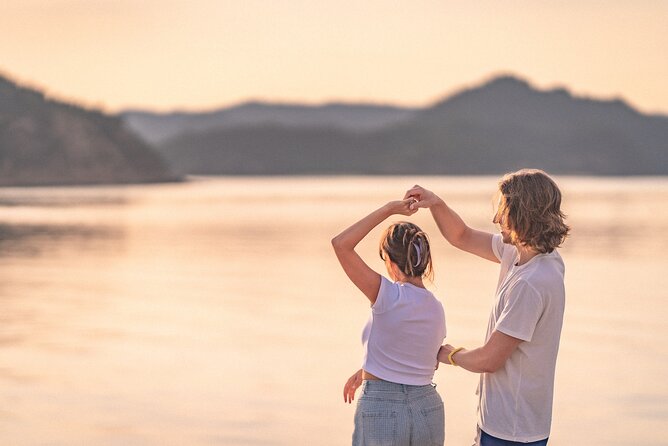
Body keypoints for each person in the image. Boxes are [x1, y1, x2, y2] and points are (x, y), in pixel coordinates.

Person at [404, 169, 569, 446]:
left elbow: (489, 360)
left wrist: (444, 353)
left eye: (502, 211)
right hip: (503, 423)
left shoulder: (531, 283)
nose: (496, 219)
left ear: (522, 214)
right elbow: (462, 236)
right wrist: (435, 202)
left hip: (512, 431)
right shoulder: (523, 254)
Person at [332, 199, 447, 446]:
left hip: (383, 407)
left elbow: (341, 245)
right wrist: (364, 371)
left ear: (391, 262)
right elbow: (418, 359)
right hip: (428, 406)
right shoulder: (436, 307)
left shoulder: (387, 295)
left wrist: (388, 210)